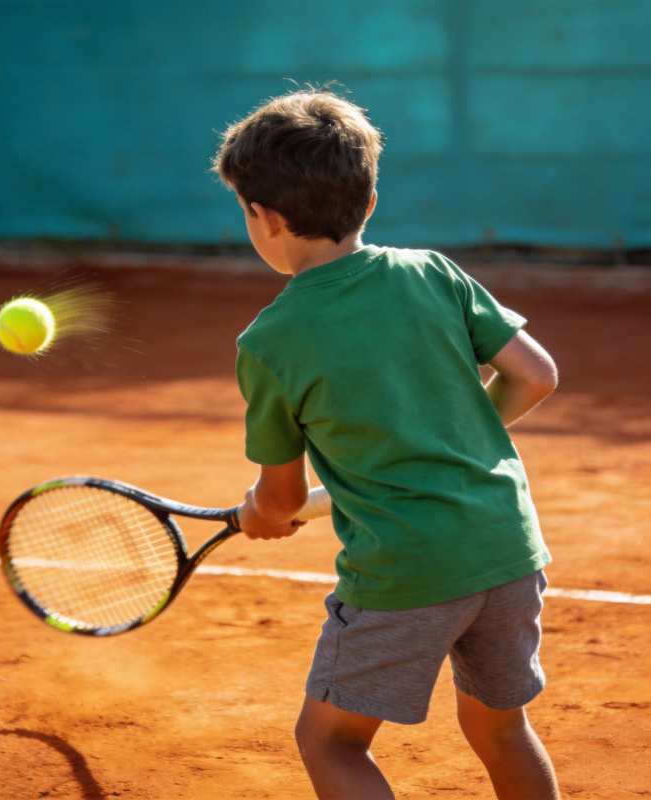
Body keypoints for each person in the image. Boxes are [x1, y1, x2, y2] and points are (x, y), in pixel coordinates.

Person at [212, 90, 561, 800]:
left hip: (405, 573)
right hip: (507, 548)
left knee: (331, 741)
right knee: (501, 729)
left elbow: (279, 498)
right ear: (369, 202)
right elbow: (536, 376)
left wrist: (260, 514)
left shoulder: (269, 342)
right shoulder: (433, 271)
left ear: (263, 217)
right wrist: (466, 431)